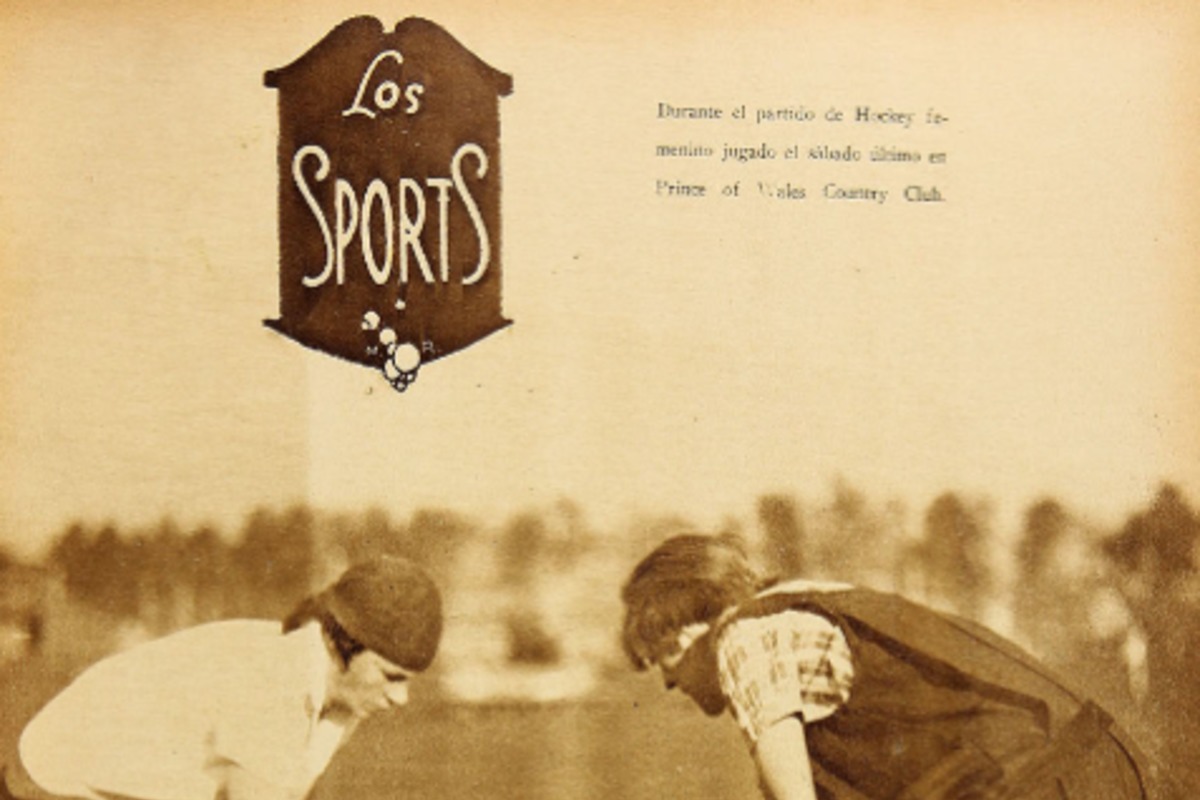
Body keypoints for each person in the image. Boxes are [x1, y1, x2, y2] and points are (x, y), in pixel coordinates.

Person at [620, 533, 1179, 800]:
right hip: (1096, 767)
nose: (669, 680)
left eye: (664, 653)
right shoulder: (803, 603)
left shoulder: (743, 636)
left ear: (702, 620)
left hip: (1045, 783)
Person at [2, 555, 442, 800]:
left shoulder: (341, 693)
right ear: (340, 643)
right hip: (46, 785)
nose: (400, 698)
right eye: (390, 676)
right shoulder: (278, 680)